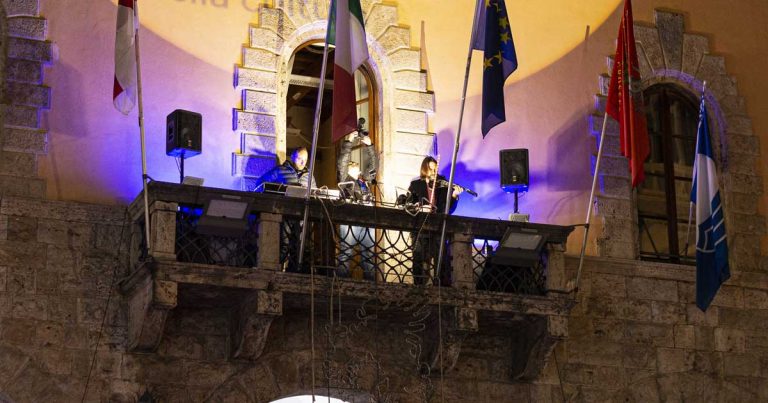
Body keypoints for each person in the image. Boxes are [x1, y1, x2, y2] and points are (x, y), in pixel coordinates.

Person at [253, 147, 317, 273]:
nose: (302, 162)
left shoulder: (309, 176)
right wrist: (276, 194)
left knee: (300, 244)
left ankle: (294, 271)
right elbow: (261, 183)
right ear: (292, 157)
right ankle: (277, 270)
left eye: (305, 160)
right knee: (284, 243)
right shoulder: (280, 170)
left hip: (302, 215)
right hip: (285, 214)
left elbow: (315, 193)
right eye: (300, 159)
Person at [407, 156, 462, 285]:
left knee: (442, 261)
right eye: (430, 169)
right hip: (420, 229)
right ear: (424, 169)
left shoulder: (442, 184)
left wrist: (454, 196)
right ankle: (419, 288)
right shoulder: (416, 184)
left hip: (438, 229)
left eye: (435, 169)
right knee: (420, 262)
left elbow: (448, 209)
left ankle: (442, 288)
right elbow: (408, 205)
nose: (433, 172)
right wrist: (419, 207)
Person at [336, 132, 378, 281]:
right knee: (346, 252)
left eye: (357, 166)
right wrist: (348, 142)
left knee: (369, 255)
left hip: (367, 218)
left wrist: (370, 146)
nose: (356, 167)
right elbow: (342, 162)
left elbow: (373, 167)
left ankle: (370, 285)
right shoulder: (345, 179)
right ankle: (342, 283)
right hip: (349, 219)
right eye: (353, 165)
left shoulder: (364, 181)